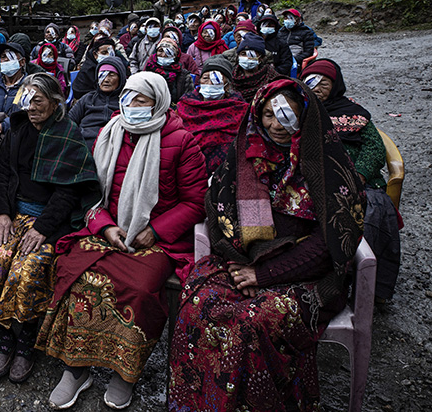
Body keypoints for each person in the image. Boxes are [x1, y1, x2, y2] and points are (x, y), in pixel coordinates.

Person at [169, 79, 366, 412]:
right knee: (198, 302)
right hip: (239, 260)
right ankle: (203, 404)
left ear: (305, 116)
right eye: (268, 116)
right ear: (257, 116)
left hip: (306, 274)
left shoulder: (327, 164)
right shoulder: (243, 155)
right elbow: (219, 210)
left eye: (287, 116)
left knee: (255, 322)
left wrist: (264, 274)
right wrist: (239, 262)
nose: (276, 126)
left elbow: (332, 240)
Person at [39, 72, 207, 409]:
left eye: (141, 100)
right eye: (128, 98)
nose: (131, 106)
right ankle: (76, 367)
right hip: (108, 229)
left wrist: (154, 232)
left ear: (158, 102)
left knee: (141, 289)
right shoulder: (111, 131)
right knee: (77, 277)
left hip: (155, 237)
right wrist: (103, 226)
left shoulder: (181, 140)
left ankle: (124, 372)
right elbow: (91, 191)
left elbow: (194, 202)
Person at [0, 73, 100, 384]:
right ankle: (4, 336)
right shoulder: (17, 130)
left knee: (26, 270)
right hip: (14, 215)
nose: (31, 107)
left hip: (50, 223)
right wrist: (0, 213)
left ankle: (25, 342)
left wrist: (41, 228)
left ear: (55, 104)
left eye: (38, 100)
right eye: (27, 100)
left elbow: (68, 192)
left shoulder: (68, 135)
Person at [302, 58, 401, 300]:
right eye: (310, 83)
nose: (316, 89)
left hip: (358, 182)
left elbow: (375, 148)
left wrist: (356, 175)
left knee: (370, 216)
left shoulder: (353, 113)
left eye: (323, 84)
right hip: (313, 182)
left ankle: (364, 284)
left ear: (335, 86)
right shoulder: (298, 112)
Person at [176, 55, 248, 175]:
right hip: (188, 169)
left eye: (216, 79)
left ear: (227, 85)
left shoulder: (239, 109)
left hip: (226, 172)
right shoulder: (185, 106)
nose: (209, 83)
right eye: (205, 78)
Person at [68, 56, 127, 145]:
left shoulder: (125, 101)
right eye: (102, 75)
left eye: (111, 74)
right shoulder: (88, 98)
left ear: (120, 78)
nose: (106, 80)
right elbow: (69, 120)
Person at [226, 32, 281, 105]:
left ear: (261, 58)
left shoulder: (271, 78)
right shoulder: (231, 77)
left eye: (251, 55)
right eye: (243, 54)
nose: (247, 58)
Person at [142, 37, 194, 104]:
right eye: (160, 51)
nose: (164, 55)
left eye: (169, 52)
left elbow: (188, 100)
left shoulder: (184, 76)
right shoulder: (147, 72)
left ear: (175, 55)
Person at [71, 37, 123, 102]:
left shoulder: (116, 66)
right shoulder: (88, 69)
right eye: (104, 53)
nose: (108, 56)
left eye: (111, 52)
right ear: (95, 54)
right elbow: (80, 92)